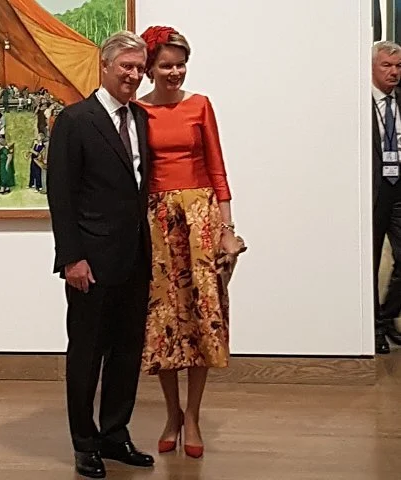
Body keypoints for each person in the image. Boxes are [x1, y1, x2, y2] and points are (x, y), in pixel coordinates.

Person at [46, 30, 154, 479]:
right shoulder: (75, 120)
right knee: (87, 353)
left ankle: (115, 433)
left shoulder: (142, 119)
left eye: (138, 67)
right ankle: (84, 442)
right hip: (90, 261)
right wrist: (72, 258)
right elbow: (61, 195)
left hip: (134, 257)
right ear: (106, 67)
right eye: (126, 66)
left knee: (127, 350)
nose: (133, 74)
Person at [137, 26, 246, 459]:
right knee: (164, 320)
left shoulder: (200, 105)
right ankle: (171, 414)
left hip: (201, 219)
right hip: (157, 221)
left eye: (181, 63)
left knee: (203, 318)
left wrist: (227, 228)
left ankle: (195, 416)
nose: (175, 72)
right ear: (149, 67)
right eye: (166, 65)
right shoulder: (137, 111)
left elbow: (218, 168)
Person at [371, 40, 401, 354]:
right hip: (374, 190)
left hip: (399, 188)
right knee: (372, 258)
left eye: (398, 66)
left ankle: (388, 315)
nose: (394, 72)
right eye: (386, 66)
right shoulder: (361, 102)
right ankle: (374, 327)